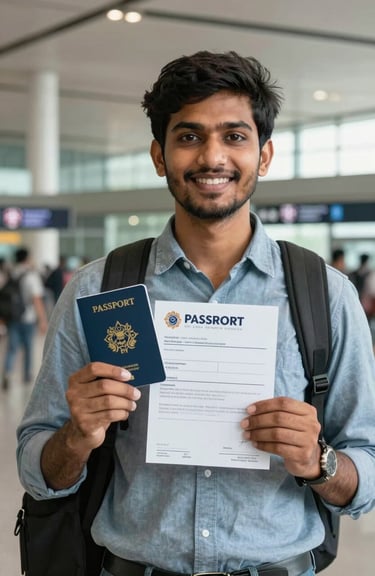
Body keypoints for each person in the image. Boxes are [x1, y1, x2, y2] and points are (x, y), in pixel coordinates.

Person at [17, 51, 375, 576]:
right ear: (160, 156)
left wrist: (318, 462)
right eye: (189, 137)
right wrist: (77, 436)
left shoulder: (325, 296)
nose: (212, 157)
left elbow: (366, 465)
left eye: (234, 136)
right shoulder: (100, 290)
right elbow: (36, 467)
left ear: (265, 155)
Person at [2, 247, 48, 389]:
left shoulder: (11, 273)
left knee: (12, 348)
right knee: (28, 348)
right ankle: (27, 375)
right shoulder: (31, 275)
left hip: (13, 317)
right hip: (28, 317)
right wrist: (42, 320)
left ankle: (7, 372)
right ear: (27, 258)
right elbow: (36, 299)